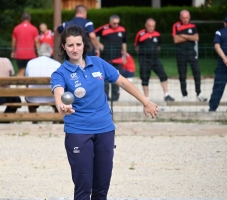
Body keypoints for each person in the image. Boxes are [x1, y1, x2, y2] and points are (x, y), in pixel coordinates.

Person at [50, 25, 158, 200]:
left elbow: (122, 82)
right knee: (83, 187)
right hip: (78, 131)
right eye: (70, 45)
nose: (75, 49)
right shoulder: (60, 73)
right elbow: (58, 93)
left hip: (105, 129)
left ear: (84, 44)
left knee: (101, 187)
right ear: (63, 47)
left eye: (78, 44)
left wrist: (145, 101)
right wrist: (61, 105)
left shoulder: (98, 63)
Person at [135, 18, 175, 101]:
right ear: (146, 25)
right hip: (144, 59)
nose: (151, 28)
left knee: (163, 75)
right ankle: (147, 97)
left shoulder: (157, 34)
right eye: (149, 26)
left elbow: (159, 46)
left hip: (155, 59)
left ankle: (166, 95)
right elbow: (136, 46)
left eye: (153, 26)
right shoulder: (140, 34)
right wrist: (142, 54)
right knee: (145, 77)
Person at [172, 10, 207, 101]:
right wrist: (189, 37)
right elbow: (176, 40)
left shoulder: (193, 26)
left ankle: (199, 93)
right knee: (182, 75)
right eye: (183, 18)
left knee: (197, 72)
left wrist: (182, 35)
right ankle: (185, 95)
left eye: (187, 17)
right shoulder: (176, 26)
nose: (185, 19)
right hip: (180, 53)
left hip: (192, 53)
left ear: (189, 17)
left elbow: (196, 38)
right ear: (180, 18)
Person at [25, 43, 61, 123]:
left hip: (33, 97)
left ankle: (34, 120)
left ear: (38, 52)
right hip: (53, 98)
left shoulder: (30, 63)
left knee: (28, 93)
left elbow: (27, 82)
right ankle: (56, 119)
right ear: (51, 52)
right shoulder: (57, 64)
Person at [94, 15, 127, 101]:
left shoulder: (122, 29)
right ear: (110, 22)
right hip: (106, 57)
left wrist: (125, 55)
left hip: (118, 57)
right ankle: (105, 96)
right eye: (114, 23)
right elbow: (92, 35)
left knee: (118, 77)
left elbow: (124, 43)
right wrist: (99, 44)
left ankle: (115, 97)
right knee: (105, 78)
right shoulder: (104, 28)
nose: (116, 25)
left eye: (117, 23)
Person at [11, 12, 40, 77]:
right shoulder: (34, 28)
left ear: (22, 19)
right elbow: (37, 42)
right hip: (31, 54)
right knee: (31, 71)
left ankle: (19, 86)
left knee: (20, 71)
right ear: (30, 19)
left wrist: (13, 51)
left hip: (19, 54)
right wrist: (39, 52)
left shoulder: (16, 28)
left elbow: (13, 41)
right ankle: (29, 86)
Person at [209, 17, 227, 112]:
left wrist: (225, 58)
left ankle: (212, 108)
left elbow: (217, 46)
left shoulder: (219, 32)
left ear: (225, 23)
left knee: (218, 87)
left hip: (222, 65)